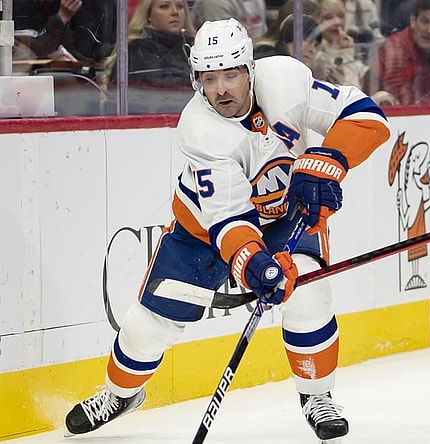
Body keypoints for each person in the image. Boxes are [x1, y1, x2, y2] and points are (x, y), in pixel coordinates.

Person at [64, 17, 390, 443]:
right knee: (149, 326)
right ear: (197, 78)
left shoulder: (287, 79)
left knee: (308, 294)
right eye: (210, 78)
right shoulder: (200, 130)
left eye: (231, 74)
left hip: (286, 215)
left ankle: (317, 396)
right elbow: (230, 223)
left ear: (250, 68)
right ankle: (119, 394)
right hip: (202, 231)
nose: (221, 89)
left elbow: (368, 117)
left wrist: (330, 158)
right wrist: (256, 266)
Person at [363, 0, 430, 104]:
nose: (429, 31)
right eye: (425, 21)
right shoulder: (395, 49)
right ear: (413, 21)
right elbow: (404, 106)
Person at [102, 0, 196, 89]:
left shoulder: (194, 47)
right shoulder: (136, 49)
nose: (175, 12)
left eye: (180, 6)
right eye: (164, 6)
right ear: (148, 15)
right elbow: (163, 89)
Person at [13, 0, 117, 63]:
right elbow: (25, 49)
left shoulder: (100, 4)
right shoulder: (27, 5)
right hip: (46, 78)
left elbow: (109, 46)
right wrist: (62, 17)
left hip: (88, 81)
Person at [311, 0, 368, 88]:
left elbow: (356, 91)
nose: (337, 21)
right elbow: (349, 90)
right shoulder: (315, 53)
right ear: (317, 21)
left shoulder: (347, 47)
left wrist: (346, 51)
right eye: (329, 17)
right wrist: (345, 52)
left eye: (341, 16)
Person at [191, 0, 269, 40]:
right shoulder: (215, 3)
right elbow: (226, 43)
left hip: (256, 52)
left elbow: (263, 36)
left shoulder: (258, 1)